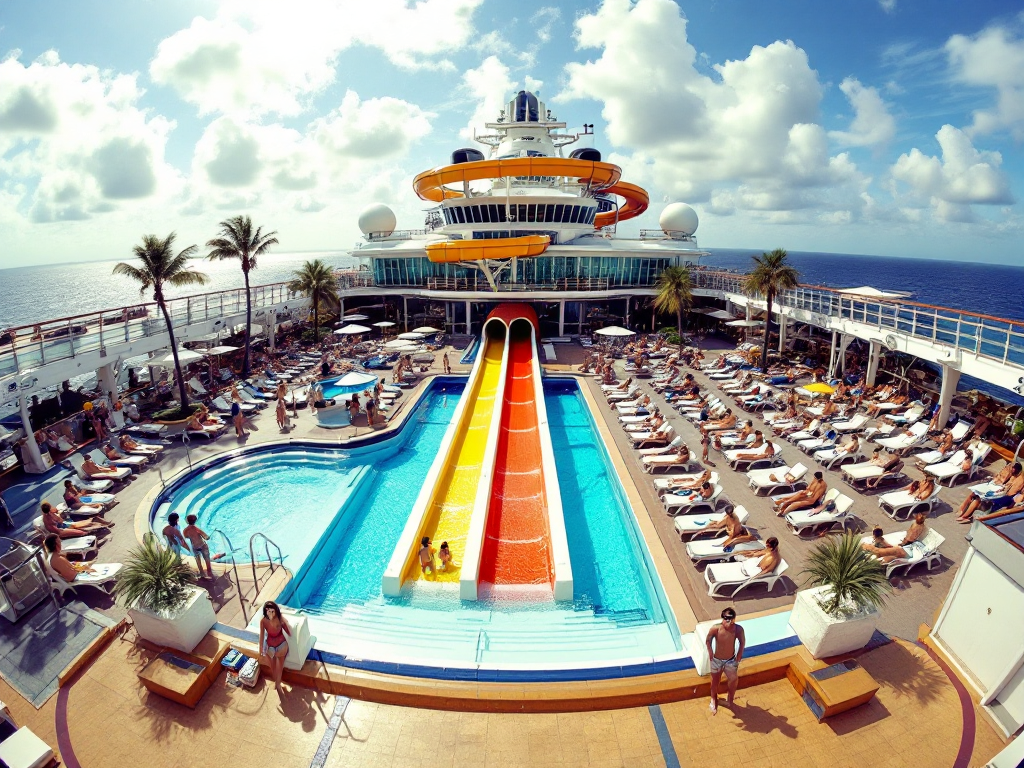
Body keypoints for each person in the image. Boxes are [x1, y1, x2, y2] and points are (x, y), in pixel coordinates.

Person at [705, 607, 745, 715]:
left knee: (733, 679)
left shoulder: (738, 629)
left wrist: (739, 656)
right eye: (727, 619)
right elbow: (708, 640)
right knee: (715, 681)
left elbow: (742, 642)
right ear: (723, 619)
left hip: (730, 660)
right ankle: (713, 699)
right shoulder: (716, 628)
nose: (730, 622)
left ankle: (730, 699)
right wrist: (710, 652)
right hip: (717, 660)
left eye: (732, 619)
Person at [957, 462, 1024, 523]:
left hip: (1002, 497)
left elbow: (1010, 493)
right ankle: (962, 510)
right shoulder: (1012, 476)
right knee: (973, 494)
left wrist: (1002, 489)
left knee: (978, 499)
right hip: (998, 492)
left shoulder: (1018, 481)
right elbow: (1001, 481)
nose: (1010, 469)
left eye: (1012, 468)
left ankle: (965, 516)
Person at [862, 513, 928, 562]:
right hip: (906, 547)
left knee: (878, 551)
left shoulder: (918, 527)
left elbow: (910, 539)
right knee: (883, 549)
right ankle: (868, 547)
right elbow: (909, 538)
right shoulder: (917, 525)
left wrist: (903, 543)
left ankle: (863, 548)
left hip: (908, 550)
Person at [259, 601, 291, 693]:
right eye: (269, 611)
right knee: (273, 666)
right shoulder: (263, 621)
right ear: (266, 611)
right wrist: (260, 649)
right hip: (271, 647)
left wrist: (284, 622)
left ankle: (277, 683)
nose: (272, 614)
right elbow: (261, 636)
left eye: (273, 611)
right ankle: (277, 682)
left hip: (281, 645)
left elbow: (288, 632)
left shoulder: (280, 619)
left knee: (279, 666)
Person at [42, 501, 109, 538]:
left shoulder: (50, 513)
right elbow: (56, 531)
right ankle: (102, 526)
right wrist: (68, 530)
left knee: (89, 521)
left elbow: (57, 513)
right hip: (62, 529)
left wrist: (59, 516)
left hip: (66, 524)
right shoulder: (47, 520)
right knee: (84, 528)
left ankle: (104, 524)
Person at [183, 514, 214, 579]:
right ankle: (209, 572)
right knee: (207, 558)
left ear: (187, 521)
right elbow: (206, 537)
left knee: (197, 559)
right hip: (202, 545)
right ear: (195, 521)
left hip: (195, 547)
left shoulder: (185, 530)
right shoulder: (196, 529)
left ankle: (202, 572)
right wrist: (208, 537)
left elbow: (186, 537)